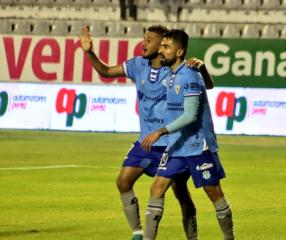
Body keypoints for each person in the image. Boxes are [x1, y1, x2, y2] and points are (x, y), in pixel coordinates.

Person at [78, 25, 214, 240]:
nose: (144, 43)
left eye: (150, 40)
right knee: (123, 182)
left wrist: (202, 69)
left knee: (181, 194)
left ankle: (192, 237)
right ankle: (138, 233)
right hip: (147, 141)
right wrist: (88, 51)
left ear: (163, 45)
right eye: (144, 39)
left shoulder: (176, 68)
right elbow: (105, 71)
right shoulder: (137, 65)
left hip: (173, 143)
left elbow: (204, 85)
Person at [141, 29, 234, 240]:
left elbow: (191, 115)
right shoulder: (172, 74)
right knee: (157, 188)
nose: (161, 50)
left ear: (180, 51)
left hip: (196, 144)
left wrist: (160, 131)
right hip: (176, 145)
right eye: (161, 46)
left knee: (214, 193)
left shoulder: (190, 74)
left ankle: (230, 238)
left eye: (166, 47)